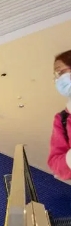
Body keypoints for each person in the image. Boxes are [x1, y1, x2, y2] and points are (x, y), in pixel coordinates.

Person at [50, 50, 71, 180]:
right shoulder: (62, 119)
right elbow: (55, 163)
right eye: (56, 75)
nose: (58, 79)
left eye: (60, 72)